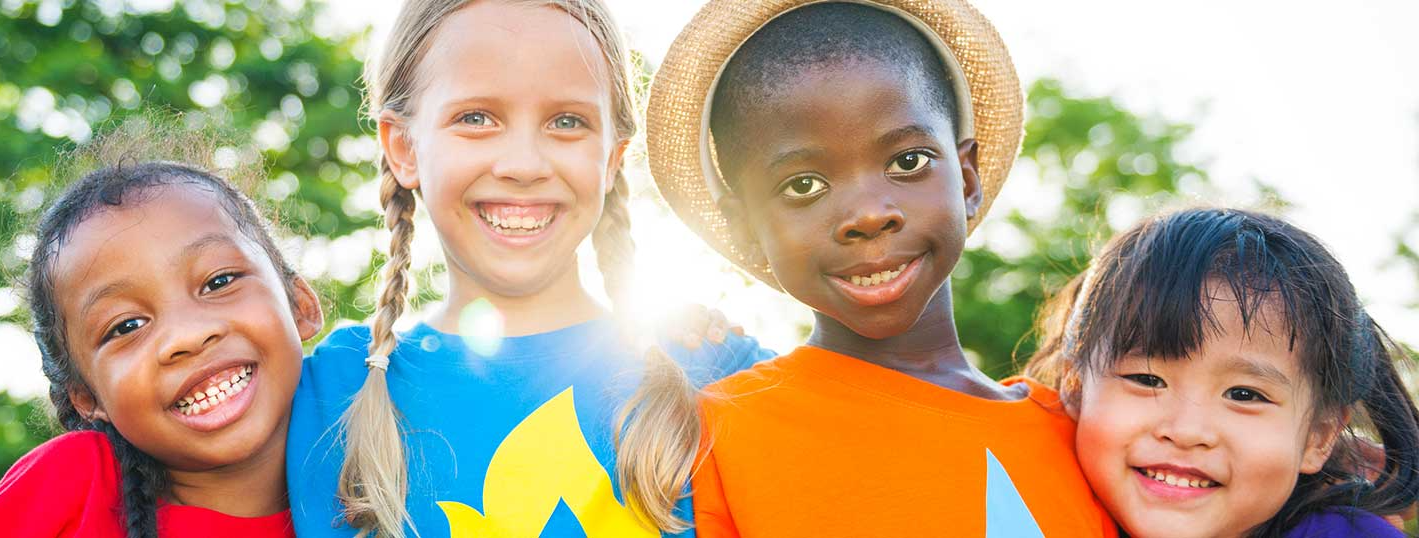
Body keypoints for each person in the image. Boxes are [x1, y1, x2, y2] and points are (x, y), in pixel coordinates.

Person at [284, 1, 771, 536]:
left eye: (568, 122)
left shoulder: (722, 375)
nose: (523, 165)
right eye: (476, 118)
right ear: (404, 147)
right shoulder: (328, 392)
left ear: (613, 158)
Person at [645, 1, 1115, 536]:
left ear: (967, 179)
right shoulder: (717, 435)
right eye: (804, 186)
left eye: (908, 162)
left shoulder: (1081, 438)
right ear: (746, 228)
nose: (869, 215)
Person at [0, 117, 322, 537]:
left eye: (218, 282)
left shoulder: (395, 473)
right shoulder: (71, 487)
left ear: (300, 304)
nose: (187, 337)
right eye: (126, 326)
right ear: (87, 397)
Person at [1026, 208, 1419, 538]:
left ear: (1318, 437)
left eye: (1244, 395)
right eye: (1147, 380)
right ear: (1074, 386)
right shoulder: (1023, 496)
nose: (1186, 431)